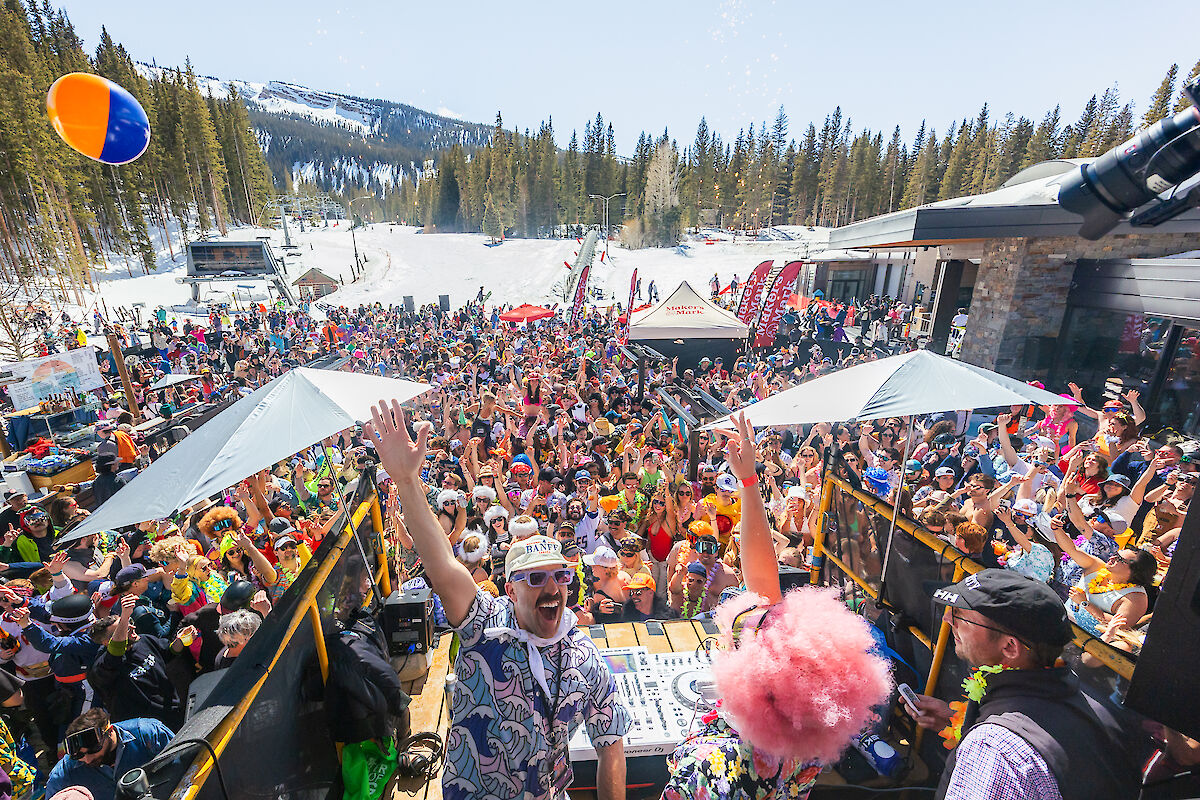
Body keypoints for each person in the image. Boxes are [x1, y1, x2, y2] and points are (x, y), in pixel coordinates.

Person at [366, 399, 631, 800]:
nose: (553, 587)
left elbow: (611, 746)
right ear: (510, 589)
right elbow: (441, 562)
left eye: (560, 576)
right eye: (536, 578)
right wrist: (406, 480)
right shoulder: (483, 624)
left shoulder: (584, 657)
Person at [663, 413, 892, 799]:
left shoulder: (710, 768)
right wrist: (749, 482)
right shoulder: (810, 734)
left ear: (754, 678)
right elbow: (764, 585)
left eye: (735, 638)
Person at [907, 570, 1140, 799]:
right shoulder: (1094, 708)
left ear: (1009, 647)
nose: (948, 618)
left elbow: (1012, 764)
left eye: (960, 615)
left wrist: (981, 739)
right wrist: (957, 722)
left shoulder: (994, 752)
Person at [46, 709, 175, 800]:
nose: (88, 758)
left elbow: (183, 764)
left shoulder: (149, 734)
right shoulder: (63, 774)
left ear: (110, 731)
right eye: (79, 755)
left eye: (93, 750)